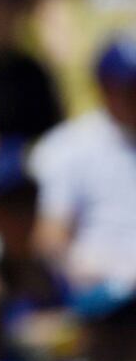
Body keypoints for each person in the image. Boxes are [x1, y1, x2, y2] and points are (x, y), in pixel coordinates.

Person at [31, 36, 136, 289]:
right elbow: (50, 239)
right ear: (104, 89)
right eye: (129, 90)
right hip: (98, 291)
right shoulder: (69, 145)